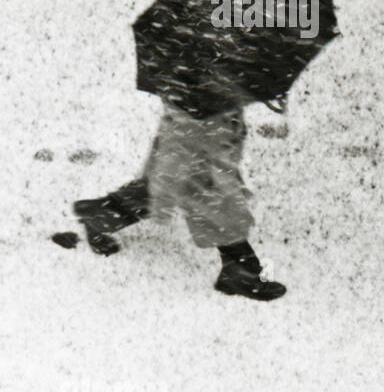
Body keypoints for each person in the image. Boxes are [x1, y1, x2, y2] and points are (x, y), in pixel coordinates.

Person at [72, 95, 286, 301]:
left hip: (203, 111)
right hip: (202, 115)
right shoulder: (204, 80)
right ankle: (240, 269)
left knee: (173, 180)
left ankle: (103, 214)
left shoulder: (201, 77)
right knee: (203, 188)